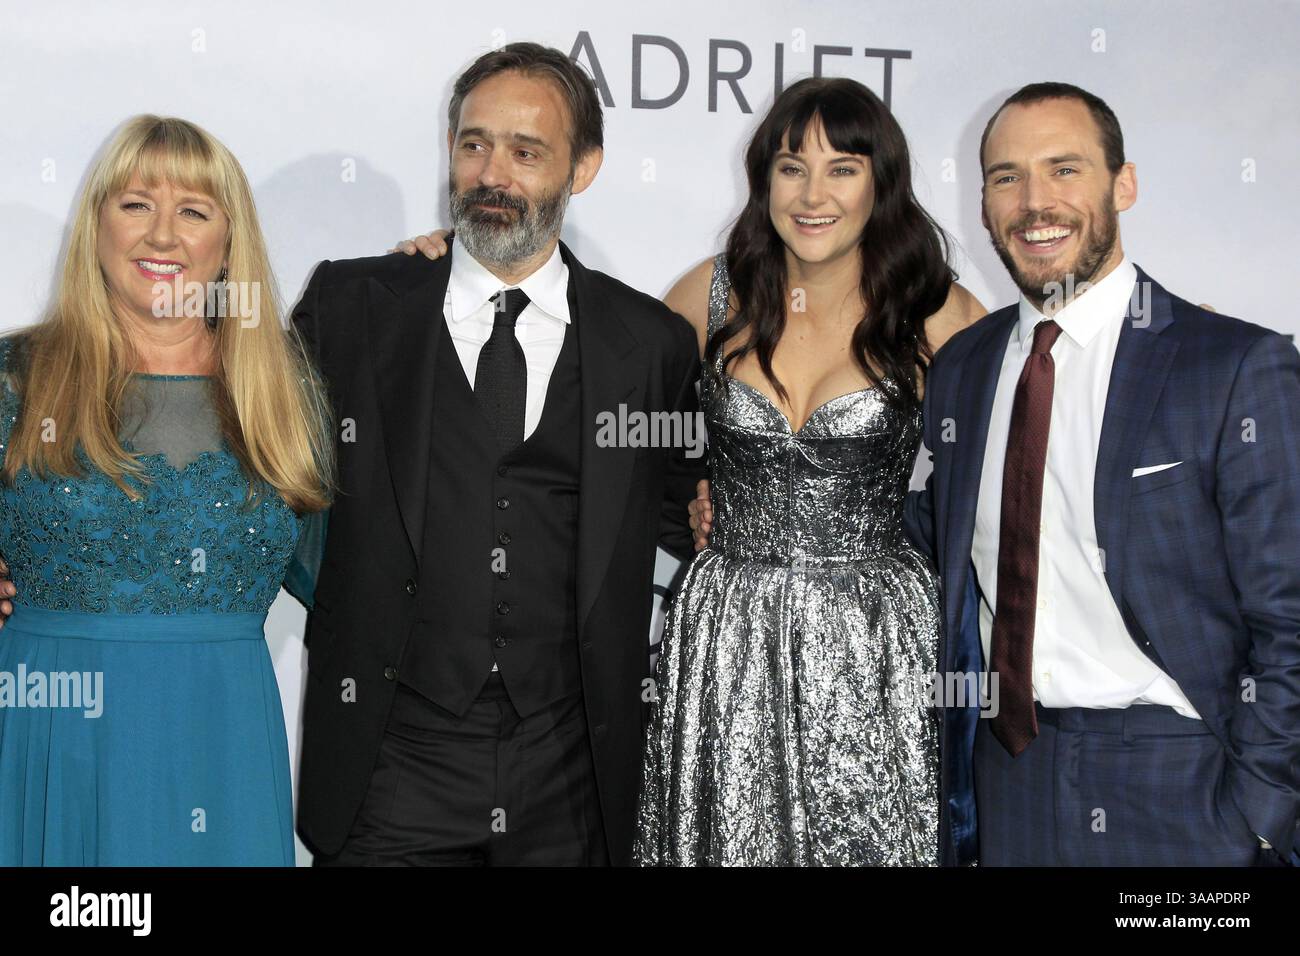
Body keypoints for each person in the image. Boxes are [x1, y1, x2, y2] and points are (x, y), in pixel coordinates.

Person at [412, 76, 985, 864]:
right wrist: (451, 263)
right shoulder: (711, 296)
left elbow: (1001, 480)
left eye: (842, 168)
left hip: (873, 645)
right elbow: (590, 375)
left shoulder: (936, 311)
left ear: (881, 182)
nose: (812, 194)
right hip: (727, 636)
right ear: (763, 180)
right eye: (790, 167)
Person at [293, 42, 704, 866]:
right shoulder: (355, 306)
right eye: (474, 143)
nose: (492, 174)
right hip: (392, 760)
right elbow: (248, 469)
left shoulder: (649, 343)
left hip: (572, 773)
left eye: (526, 152)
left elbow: (685, 512)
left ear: (583, 168)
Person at [902, 82, 1300, 865]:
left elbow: (1291, 621)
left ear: (1124, 184)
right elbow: (939, 527)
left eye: (1064, 169)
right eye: (1007, 177)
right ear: (982, 205)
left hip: (1182, 783)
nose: (1034, 202)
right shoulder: (963, 368)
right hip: (1008, 775)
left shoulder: (1233, 367)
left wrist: (1256, 817)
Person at [0, 114, 334, 865]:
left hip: (221, 750)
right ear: (95, 228)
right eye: (134, 204)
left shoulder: (284, 394)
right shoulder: (12, 378)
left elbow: (363, 594)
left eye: (192, 211)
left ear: (228, 241)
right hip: (50, 742)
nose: (161, 236)